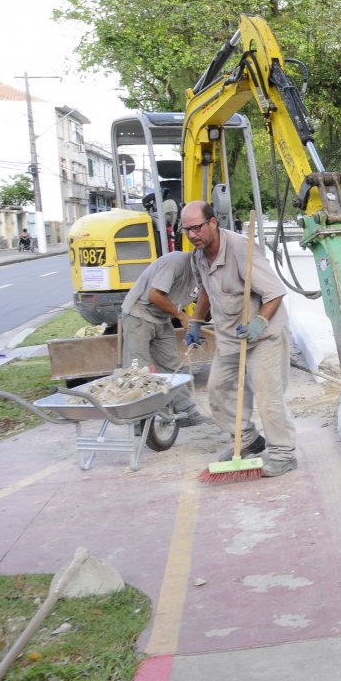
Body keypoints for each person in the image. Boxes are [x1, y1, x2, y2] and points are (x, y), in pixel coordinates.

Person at [182, 200, 298, 478]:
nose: (193, 235)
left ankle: (283, 453)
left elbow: (274, 292)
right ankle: (247, 440)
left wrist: (260, 322)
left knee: (267, 395)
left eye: (197, 228)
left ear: (212, 223)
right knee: (218, 390)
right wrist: (196, 321)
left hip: (263, 335)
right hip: (230, 335)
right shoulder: (198, 257)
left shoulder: (241, 250)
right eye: (187, 230)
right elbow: (206, 291)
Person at [119, 251, 209, 426]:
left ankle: (184, 410)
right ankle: (138, 420)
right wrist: (181, 316)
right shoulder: (175, 262)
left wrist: (197, 324)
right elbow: (155, 295)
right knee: (137, 368)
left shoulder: (207, 272)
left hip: (162, 317)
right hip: (139, 313)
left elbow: (206, 300)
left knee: (171, 364)